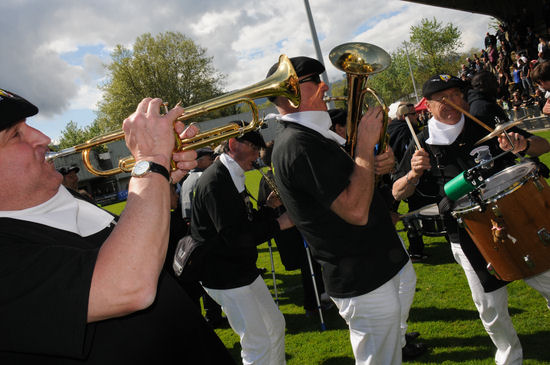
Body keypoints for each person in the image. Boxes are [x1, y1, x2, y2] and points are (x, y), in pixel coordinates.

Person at [0, 88, 234, 363]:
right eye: (15, 135)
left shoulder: (62, 196)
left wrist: (159, 183)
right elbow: (128, 287)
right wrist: (151, 164)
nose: (44, 139)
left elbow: (127, 247)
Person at [392, 74, 550, 365]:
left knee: (547, 279)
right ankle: (509, 357)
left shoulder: (484, 121)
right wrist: (413, 174)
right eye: (443, 99)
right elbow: (397, 191)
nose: (453, 103)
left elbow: (543, 145)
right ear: (427, 106)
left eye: (456, 95)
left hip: (516, 216)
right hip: (469, 234)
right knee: (491, 306)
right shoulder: (422, 143)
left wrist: (521, 145)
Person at [268, 56, 410, 364]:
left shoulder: (310, 137)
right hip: (361, 276)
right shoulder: (298, 144)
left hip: (372, 266)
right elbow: (355, 211)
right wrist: (363, 148)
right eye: (315, 82)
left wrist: (374, 164)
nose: (325, 87)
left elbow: (348, 185)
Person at [190, 127, 293, 365]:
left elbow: (242, 223)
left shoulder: (230, 175)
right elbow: (235, 237)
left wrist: (266, 209)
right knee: (256, 342)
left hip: (240, 269)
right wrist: (278, 224)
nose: (257, 156)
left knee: (275, 326)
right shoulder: (216, 181)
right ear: (233, 144)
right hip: (224, 275)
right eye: (254, 149)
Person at [256, 141, 333, 318]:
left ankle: (320, 295)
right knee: (310, 266)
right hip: (293, 231)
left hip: (286, 232)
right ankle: (312, 305)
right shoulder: (277, 177)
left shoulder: (266, 178)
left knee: (311, 265)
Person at [387, 102, 434, 262]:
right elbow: (408, 151)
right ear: (403, 116)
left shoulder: (392, 129)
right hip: (403, 178)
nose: (416, 116)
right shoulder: (404, 131)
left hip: (397, 177)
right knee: (409, 215)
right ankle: (414, 250)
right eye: (413, 114)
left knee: (398, 213)